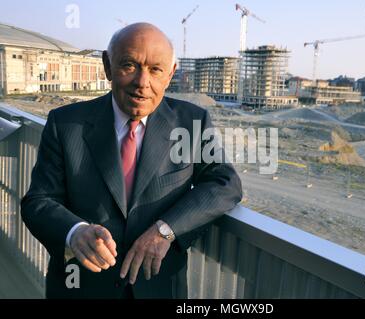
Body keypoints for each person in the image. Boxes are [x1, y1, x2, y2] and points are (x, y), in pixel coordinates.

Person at [20, 23, 242, 299]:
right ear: (107, 66)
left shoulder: (192, 122)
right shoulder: (65, 123)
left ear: (170, 74)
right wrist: (74, 232)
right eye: (129, 65)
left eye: (155, 70)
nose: (142, 82)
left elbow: (225, 183)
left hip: (158, 288)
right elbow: (38, 201)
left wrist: (165, 230)